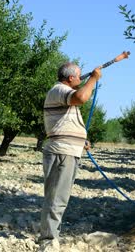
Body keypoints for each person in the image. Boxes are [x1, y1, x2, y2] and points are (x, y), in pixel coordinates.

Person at [38, 62, 102, 251]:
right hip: (61, 152)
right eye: (80, 76)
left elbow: (64, 124)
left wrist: (80, 139)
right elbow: (82, 97)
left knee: (60, 197)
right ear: (71, 78)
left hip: (68, 150)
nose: (81, 78)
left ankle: (50, 235)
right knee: (57, 197)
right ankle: (48, 241)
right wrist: (93, 79)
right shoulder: (59, 90)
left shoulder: (63, 95)